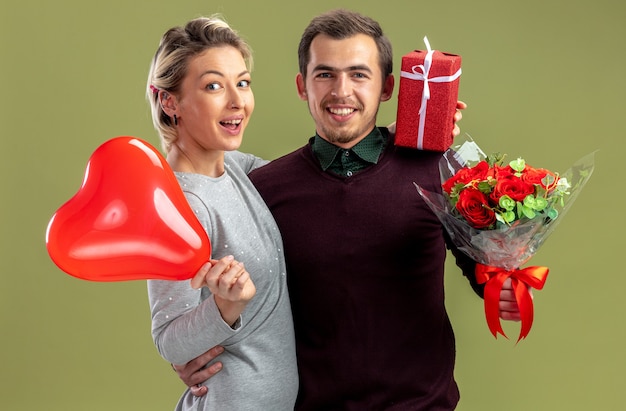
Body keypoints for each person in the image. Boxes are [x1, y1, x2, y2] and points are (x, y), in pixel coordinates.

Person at [174, 9, 523, 410]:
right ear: (302, 86)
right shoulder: (264, 190)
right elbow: (223, 298)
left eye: (359, 74)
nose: (341, 91)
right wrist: (190, 351)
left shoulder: (438, 170)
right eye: (325, 74)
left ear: (387, 87)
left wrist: (504, 289)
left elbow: (482, 266)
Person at [145, 15, 298, 410]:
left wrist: (397, 136)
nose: (237, 101)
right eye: (214, 86)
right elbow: (169, 339)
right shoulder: (178, 206)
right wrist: (226, 307)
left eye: (242, 83)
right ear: (169, 101)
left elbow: (306, 178)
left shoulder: (232, 166)